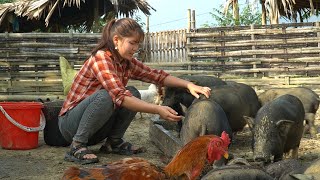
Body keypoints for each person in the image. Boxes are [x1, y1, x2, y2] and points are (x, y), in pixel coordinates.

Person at [58, 18, 211, 165]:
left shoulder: (126, 62)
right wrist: (157, 109)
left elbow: (157, 76)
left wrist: (188, 85)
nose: (136, 48)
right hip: (70, 125)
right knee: (108, 96)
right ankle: (77, 146)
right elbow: (119, 96)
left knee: (133, 92)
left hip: (96, 128)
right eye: (132, 43)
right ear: (116, 40)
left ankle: (113, 143)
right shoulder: (101, 58)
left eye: (138, 44)